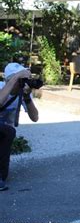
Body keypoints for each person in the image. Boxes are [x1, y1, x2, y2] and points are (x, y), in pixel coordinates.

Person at [0, 63, 39, 191]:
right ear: (8, 80)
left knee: (8, 132)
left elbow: (35, 118)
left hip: (4, 132)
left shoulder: (23, 93)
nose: (22, 83)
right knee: (8, 131)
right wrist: (15, 79)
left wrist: (27, 97)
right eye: (19, 80)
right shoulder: (1, 87)